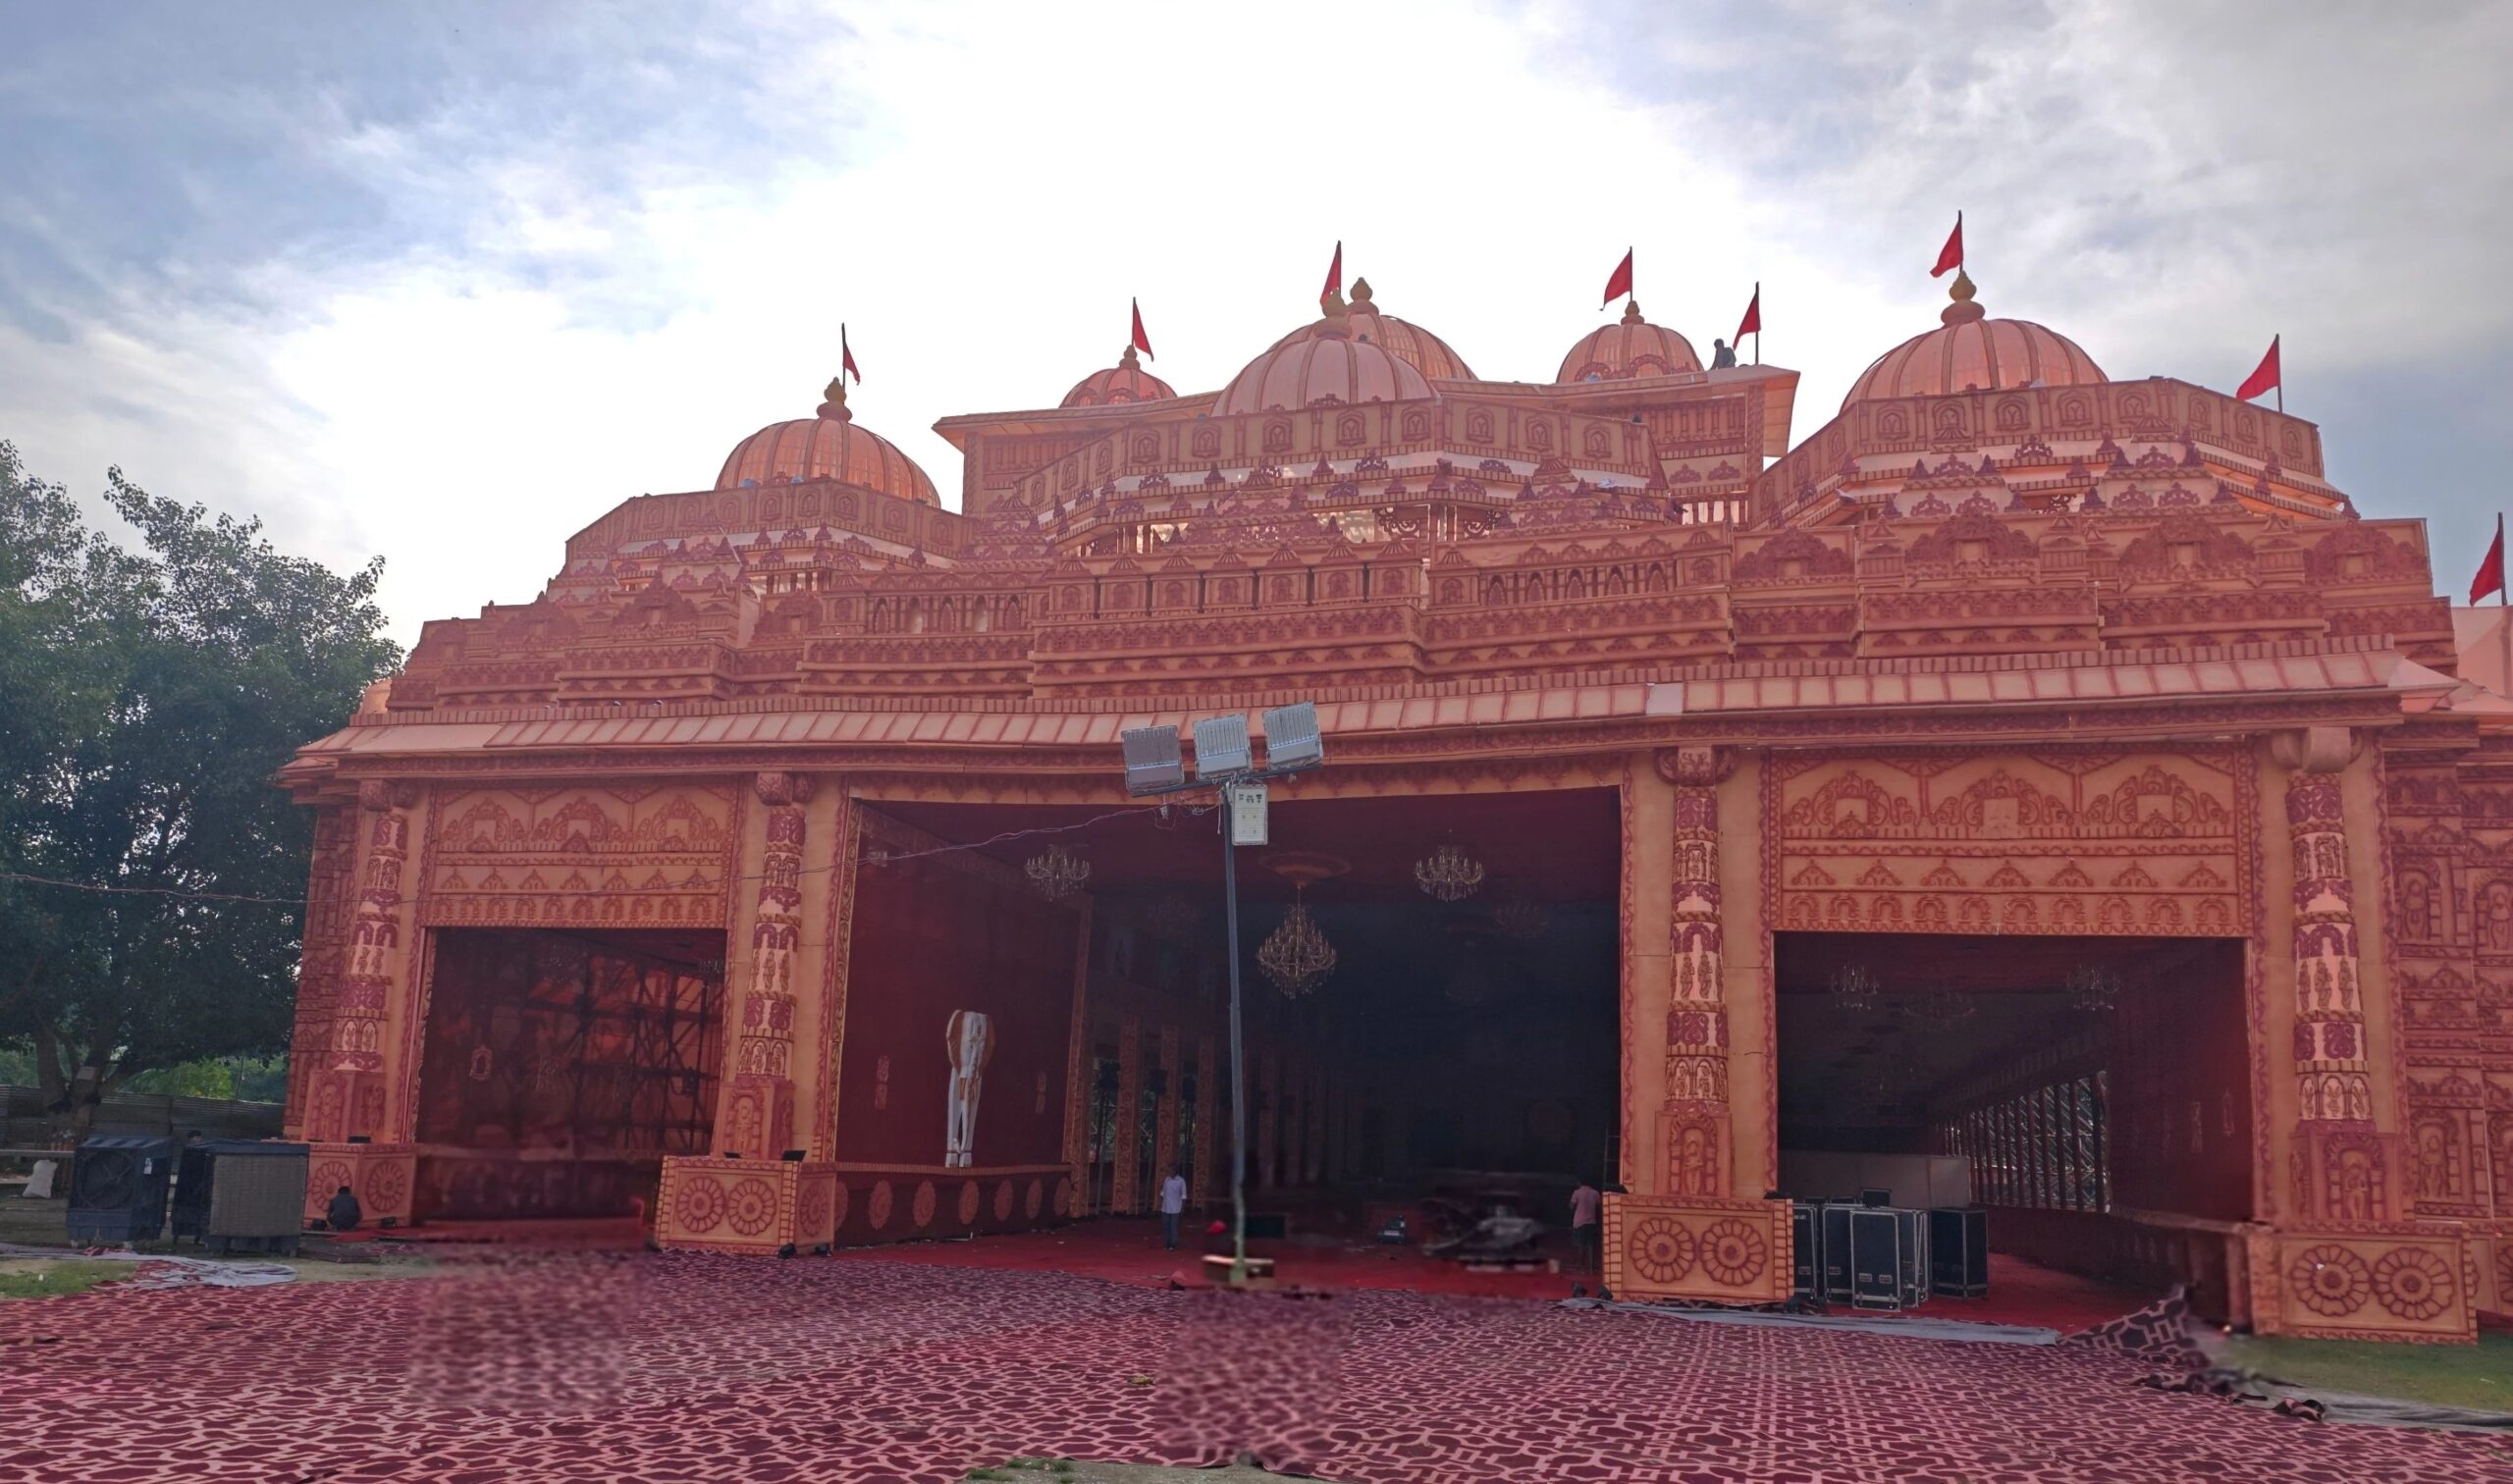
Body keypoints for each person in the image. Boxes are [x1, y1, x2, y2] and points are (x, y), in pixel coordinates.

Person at [1569, 1178, 1601, 1271]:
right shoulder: (1595, 1193)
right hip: (1591, 1221)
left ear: (1579, 1183)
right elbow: (1599, 1208)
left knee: (1581, 1245)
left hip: (1579, 1222)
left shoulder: (1577, 1192)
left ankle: (1582, 1267)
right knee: (1591, 1245)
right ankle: (1591, 1268)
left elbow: (1571, 1206)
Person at [1158, 1168, 1189, 1250]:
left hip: (1175, 1207)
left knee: (1173, 1226)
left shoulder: (1181, 1181)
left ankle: (1173, 1243)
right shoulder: (1167, 1179)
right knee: (1166, 1225)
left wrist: (1182, 1207)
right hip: (1166, 1206)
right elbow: (1163, 1192)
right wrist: (1160, 1203)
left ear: (1175, 1171)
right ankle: (1167, 1243)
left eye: (1171, 1170)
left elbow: (1183, 1195)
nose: (1169, 1172)